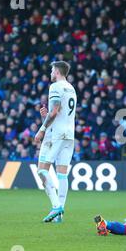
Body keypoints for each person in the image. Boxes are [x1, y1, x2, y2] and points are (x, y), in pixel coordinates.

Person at [34, 61, 77, 223]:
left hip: (56, 135)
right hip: (69, 134)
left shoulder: (55, 87)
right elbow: (61, 114)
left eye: (52, 70)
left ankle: (56, 206)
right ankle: (59, 215)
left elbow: (55, 111)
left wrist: (42, 128)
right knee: (62, 174)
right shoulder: (71, 88)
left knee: (42, 170)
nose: (50, 73)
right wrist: (45, 117)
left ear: (57, 72)